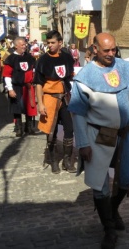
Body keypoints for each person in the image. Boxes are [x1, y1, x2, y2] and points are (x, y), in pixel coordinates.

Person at [69, 32, 129, 249]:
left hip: (123, 133)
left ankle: (113, 210)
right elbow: (78, 112)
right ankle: (108, 229)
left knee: (126, 179)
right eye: (106, 50)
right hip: (97, 136)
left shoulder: (123, 67)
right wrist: (83, 144)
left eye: (113, 49)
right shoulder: (86, 75)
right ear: (95, 49)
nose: (111, 54)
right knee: (100, 185)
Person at [34, 30, 76, 174]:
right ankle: (53, 161)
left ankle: (67, 160)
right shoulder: (42, 60)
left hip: (64, 97)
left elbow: (69, 76)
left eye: (53, 43)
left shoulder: (67, 57)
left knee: (69, 128)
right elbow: (38, 84)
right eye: (48, 43)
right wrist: (40, 103)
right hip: (49, 98)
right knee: (50, 131)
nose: (50, 45)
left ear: (60, 43)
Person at [2, 37, 38, 137]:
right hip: (16, 86)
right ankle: (18, 128)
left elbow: (33, 69)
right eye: (22, 45)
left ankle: (29, 127)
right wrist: (10, 89)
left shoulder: (29, 57)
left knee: (29, 107)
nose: (24, 46)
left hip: (28, 86)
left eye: (25, 44)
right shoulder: (11, 59)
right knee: (16, 107)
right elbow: (7, 75)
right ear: (16, 45)